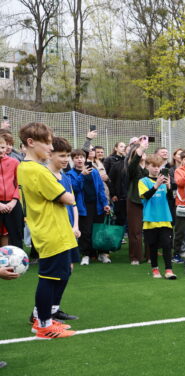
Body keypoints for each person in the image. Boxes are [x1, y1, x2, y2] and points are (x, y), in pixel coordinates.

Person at [17, 125, 78, 338]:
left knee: (58, 275)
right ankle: (42, 325)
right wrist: (66, 194)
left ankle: (45, 318)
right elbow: (67, 198)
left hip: (54, 228)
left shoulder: (28, 168)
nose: (50, 148)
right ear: (31, 142)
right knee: (49, 277)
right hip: (51, 230)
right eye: (47, 143)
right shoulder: (36, 170)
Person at [67, 148, 111, 265]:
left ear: (85, 158)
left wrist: (105, 204)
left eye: (81, 157)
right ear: (73, 160)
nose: (79, 160)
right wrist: (81, 175)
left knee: (99, 230)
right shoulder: (70, 174)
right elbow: (75, 188)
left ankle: (102, 254)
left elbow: (100, 189)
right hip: (82, 206)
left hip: (97, 205)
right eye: (76, 158)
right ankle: (86, 254)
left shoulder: (94, 171)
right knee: (85, 232)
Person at [138, 154, 177, 279]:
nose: (156, 169)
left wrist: (169, 186)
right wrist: (156, 185)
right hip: (150, 218)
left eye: (158, 166)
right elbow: (146, 196)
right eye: (153, 166)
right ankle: (155, 269)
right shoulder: (142, 181)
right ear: (147, 166)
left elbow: (170, 199)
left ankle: (169, 270)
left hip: (165, 218)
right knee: (153, 246)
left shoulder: (164, 180)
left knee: (167, 244)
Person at [124, 138, 151, 265]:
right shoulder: (132, 168)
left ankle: (150, 256)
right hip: (134, 201)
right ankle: (135, 257)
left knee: (150, 229)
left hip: (149, 201)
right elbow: (134, 163)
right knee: (135, 231)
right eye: (140, 152)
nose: (143, 153)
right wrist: (140, 148)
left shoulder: (150, 168)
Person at [0, 133, 22, 248]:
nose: (1, 150)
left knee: (16, 234)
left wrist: (14, 201)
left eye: (2, 147)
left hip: (12, 204)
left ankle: (19, 263)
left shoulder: (14, 162)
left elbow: (20, 184)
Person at [172, 150, 185, 262]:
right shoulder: (178, 170)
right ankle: (176, 254)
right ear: (181, 160)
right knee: (180, 230)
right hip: (182, 203)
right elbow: (179, 183)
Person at [104, 141, 127, 226]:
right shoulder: (110, 159)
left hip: (125, 191)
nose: (123, 148)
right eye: (121, 146)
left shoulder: (126, 160)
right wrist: (113, 193)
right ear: (116, 148)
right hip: (115, 191)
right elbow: (108, 178)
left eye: (124, 146)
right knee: (118, 215)